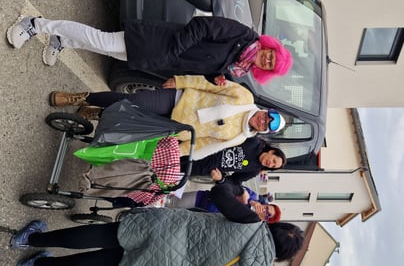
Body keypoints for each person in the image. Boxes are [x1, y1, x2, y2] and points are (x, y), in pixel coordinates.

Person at [10, 209, 304, 266]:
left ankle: (30, 239)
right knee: (102, 263)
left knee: (101, 235)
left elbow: (220, 191)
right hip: (170, 265)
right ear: (281, 257)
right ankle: (36, 265)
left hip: (166, 230)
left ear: (276, 227)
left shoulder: (252, 222)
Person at [6, 16, 292, 85]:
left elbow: (202, 64)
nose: (266, 59)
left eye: (269, 64)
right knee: (102, 41)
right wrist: (175, 50)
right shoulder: (243, 36)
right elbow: (202, 25)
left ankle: (63, 41)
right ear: (270, 47)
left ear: (264, 71)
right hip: (159, 42)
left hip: (161, 58)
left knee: (105, 50)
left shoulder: (238, 66)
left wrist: (213, 77)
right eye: (271, 55)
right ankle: (37, 24)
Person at [48, 75, 286, 159]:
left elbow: (204, 144)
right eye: (267, 117)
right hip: (178, 100)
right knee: (129, 102)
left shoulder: (239, 138)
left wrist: (177, 151)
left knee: (129, 121)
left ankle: (95, 113)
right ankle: (80, 98)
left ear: (264, 132)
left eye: (267, 126)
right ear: (265, 111)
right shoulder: (244, 96)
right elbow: (208, 85)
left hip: (174, 127)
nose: (263, 121)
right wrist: (181, 81)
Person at [180, 136, 287, 184]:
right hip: (202, 148)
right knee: (174, 151)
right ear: (272, 152)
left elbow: (235, 181)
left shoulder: (254, 170)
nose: (270, 164)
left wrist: (221, 179)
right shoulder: (254, 142)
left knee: (173, 166)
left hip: (202, 167)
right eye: (274, 161)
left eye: (273, 167)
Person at [165, 180, 282, 224]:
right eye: (267, 208)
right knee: (169, 202)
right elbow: (232, 187)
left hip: (201, 220)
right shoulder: (252, 196)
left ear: (265, 220)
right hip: (202, 200)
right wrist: (250, 201)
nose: (264, 210)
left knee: (169, 218)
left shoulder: (249, 222)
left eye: (267, 215)